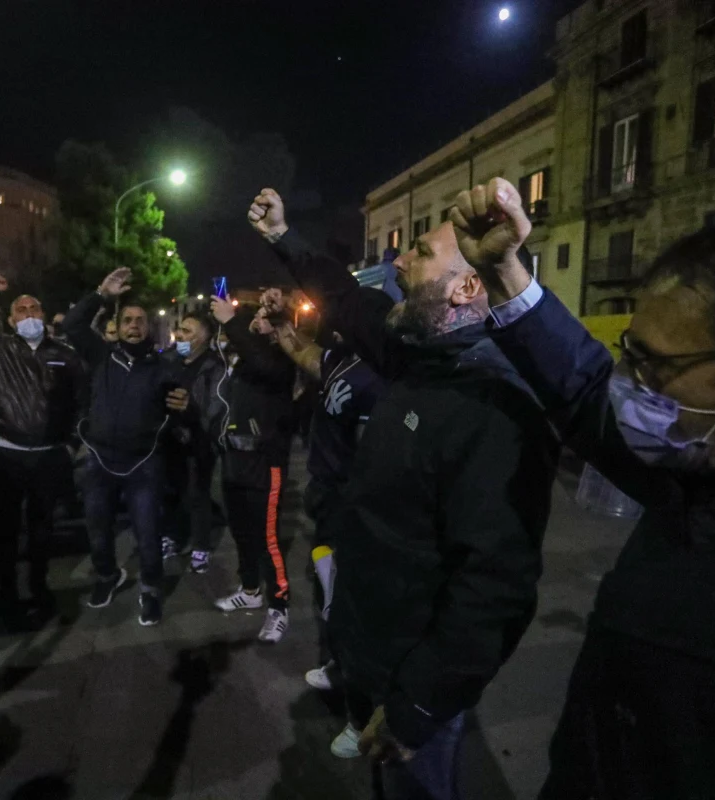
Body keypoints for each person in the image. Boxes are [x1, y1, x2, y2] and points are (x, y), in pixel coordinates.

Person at [452, 179, 715, 799]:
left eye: (659, 366)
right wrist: (503, 271)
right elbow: (584, 390)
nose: (634, 384)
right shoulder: (707, 465)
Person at [248, 187, 557, 798]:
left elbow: (493, 588)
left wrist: (418, 706)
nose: (397, 262)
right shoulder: (413, 354)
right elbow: (343, 296)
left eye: (417, 253)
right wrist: (286, 239)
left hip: (413, 675)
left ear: (467, 288)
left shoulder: (493, 406)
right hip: (373, 652)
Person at [266, 297, 385, 757]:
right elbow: (304, 353)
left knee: (356, 610)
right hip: (330, 499)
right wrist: (280, 325)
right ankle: (341, 666)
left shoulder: (384, 375)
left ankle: (362, 720)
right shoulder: (344, 358)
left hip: (359, 507)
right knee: (330, 596)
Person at [61, 267, 189, 627]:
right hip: (100, 460)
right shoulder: (102, 355)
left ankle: (150, 589)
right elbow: (72, 325)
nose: (134, 325)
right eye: (128, 319)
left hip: (144, 464)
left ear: (148, 327)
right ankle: (107, 576)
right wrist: (102, 294)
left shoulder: (163, 366)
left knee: (148, 535)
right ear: (117, 325)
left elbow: (180, 410)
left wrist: (185, 407)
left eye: (140, 320)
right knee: (98, 531)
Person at [0, 272, 87, 623]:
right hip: (6, 454)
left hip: (48, 456)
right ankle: (7, 591)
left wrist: (71, 444)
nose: (28, 314)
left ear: (43, 315)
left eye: (34, 308)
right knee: (5, 530)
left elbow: (81, 403)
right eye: (21, 309)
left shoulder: (65, 355)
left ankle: (40, 588)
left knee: (42, 530)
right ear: (11, 320)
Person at [208, 295, 297, 644]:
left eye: (264, 319)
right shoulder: (243, 360)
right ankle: (249, 589)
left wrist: (231, 320)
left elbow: (264, 364)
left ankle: (279, 607)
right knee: (241, 532)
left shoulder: (278, 359)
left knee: (269, 540)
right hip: (234, 461)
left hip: (265, 462)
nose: (255, 322)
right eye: (255, 317)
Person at [160, 313, 225, 574]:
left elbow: (216, 409)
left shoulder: (214, 367)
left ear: (203, 338)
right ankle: (174, 537)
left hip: (200, 443)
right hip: (170, 440)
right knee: (172, 492)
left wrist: (192, 410)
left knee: (198, 494)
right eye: (180, 329)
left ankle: (201, 545)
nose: (180, 335)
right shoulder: (171, 361)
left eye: (187, 331)